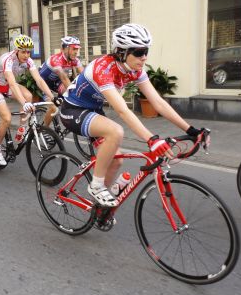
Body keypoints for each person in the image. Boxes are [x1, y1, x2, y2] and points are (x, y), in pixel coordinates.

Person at [59, 23, 206, 207]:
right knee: (116, 132)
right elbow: (122, 110)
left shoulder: (135, 70)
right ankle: (96, 186)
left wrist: (191, 130)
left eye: (146, 51)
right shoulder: (103, 69)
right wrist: (151, 139)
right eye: (138, 52)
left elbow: (158, 103)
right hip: (72, 110)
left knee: (116, 162)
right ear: (121, 52)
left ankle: (97, 210)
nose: (144, 57)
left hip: (93, 111)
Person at [0, 34, 57, 166]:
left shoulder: (28, 61)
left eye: (28, 51)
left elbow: (39, 80)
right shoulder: (8, 60)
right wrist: (24, 104)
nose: (26, 55)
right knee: (6, 118)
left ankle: (22, 128)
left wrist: (53, 97)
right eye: (23, 51)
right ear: (16, 50)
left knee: (29, 96)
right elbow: (13, 83)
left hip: (6, 85)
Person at [38, 35, 84, 127]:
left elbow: (84, 75)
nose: (76, 52)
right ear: (65, 49)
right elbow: (64, 78)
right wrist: (76, 95)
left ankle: (64, 119)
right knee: (53, 108)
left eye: (77, 49)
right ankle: (44, 130)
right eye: (73, 49)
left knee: (69, 98)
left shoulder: (74, 60)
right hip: (43, 83)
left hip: (55, 82)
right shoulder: (56, 60)